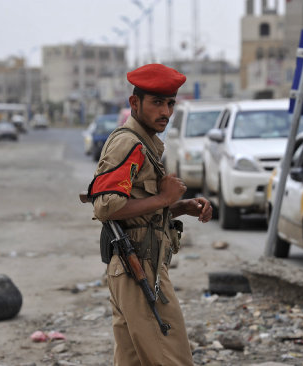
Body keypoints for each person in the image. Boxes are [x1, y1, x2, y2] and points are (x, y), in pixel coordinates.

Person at [87, 63, 213, 365]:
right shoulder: (129, 144)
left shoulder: (145, 144)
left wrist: (178, 206)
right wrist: (162, 198)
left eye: (170, 103)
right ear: (135, 103)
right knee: (173, 358)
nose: (166, 112)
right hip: (138, 267)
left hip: (137, 265)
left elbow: (136, 206)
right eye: (157, 102)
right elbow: (105, 206)